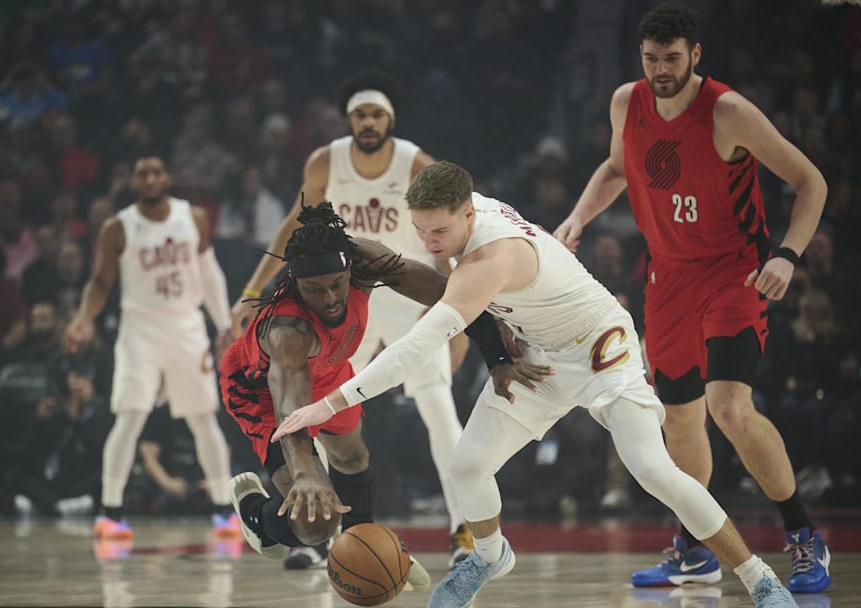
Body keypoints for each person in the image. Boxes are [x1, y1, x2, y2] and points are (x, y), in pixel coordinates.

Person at [274, 162, 798, 608]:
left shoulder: (487, 259)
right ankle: (489, 556)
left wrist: (327, 404)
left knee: (653, 470)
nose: (430, 244)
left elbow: (414, 350)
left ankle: (761, 581)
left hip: (600, 349)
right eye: (421, 232)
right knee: (467, 465)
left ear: (469, 214)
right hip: (539, 355)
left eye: (438, 234)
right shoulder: (458, 206)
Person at [554, 3, 829, 593]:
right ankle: (693, 549)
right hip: (668, 278)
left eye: (672, 58)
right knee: (678, 422)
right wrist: (577, 218)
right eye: (651, 58)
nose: (661, 69)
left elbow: (811, 181)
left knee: (728, 408)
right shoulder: (627, 102)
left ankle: (803, 535)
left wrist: (787, 254)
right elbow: (614, 168)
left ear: (695, 55)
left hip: (734, 273)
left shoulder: (728, 111)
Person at [229, 70, 473, 568]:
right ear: (349, 120)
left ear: (391, 119)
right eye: (359, 114)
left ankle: (463, 528)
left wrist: (458, 312)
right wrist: (253, 290)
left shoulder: (413, 163)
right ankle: (322, 537)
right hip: (340, 300)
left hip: (404, 293)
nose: (367, 122)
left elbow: (446, 234)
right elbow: (292, 227)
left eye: (376, 114)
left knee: (439, 412)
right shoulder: (326, 161)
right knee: (313, 408)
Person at [222, 202, 507, 586]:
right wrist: (306, 474)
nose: (329, 299)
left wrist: (498, 353)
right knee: (316, 519)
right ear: (294, 283)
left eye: (337, 285)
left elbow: (451, 295)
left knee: (353, 456)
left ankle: (362, 543)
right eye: (313, 290)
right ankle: (258, 513)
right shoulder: (287, 331)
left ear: (351, 270)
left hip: (327, 368)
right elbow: (291, 412)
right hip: (262, 391)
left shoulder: (367, 260)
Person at [66, 154, 238, 541]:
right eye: (141, 172)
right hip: (139, 328)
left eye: (156, 172)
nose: (149, 178)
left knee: (203, 418)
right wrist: (82, 319)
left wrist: (224, 323)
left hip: (186, 324)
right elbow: (99, 283)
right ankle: (111, 512)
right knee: (130, 416)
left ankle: (224, 510)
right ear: (133, 180)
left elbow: (210, 274)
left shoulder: (192, 217)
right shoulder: (118, 227)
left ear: (167, 177)